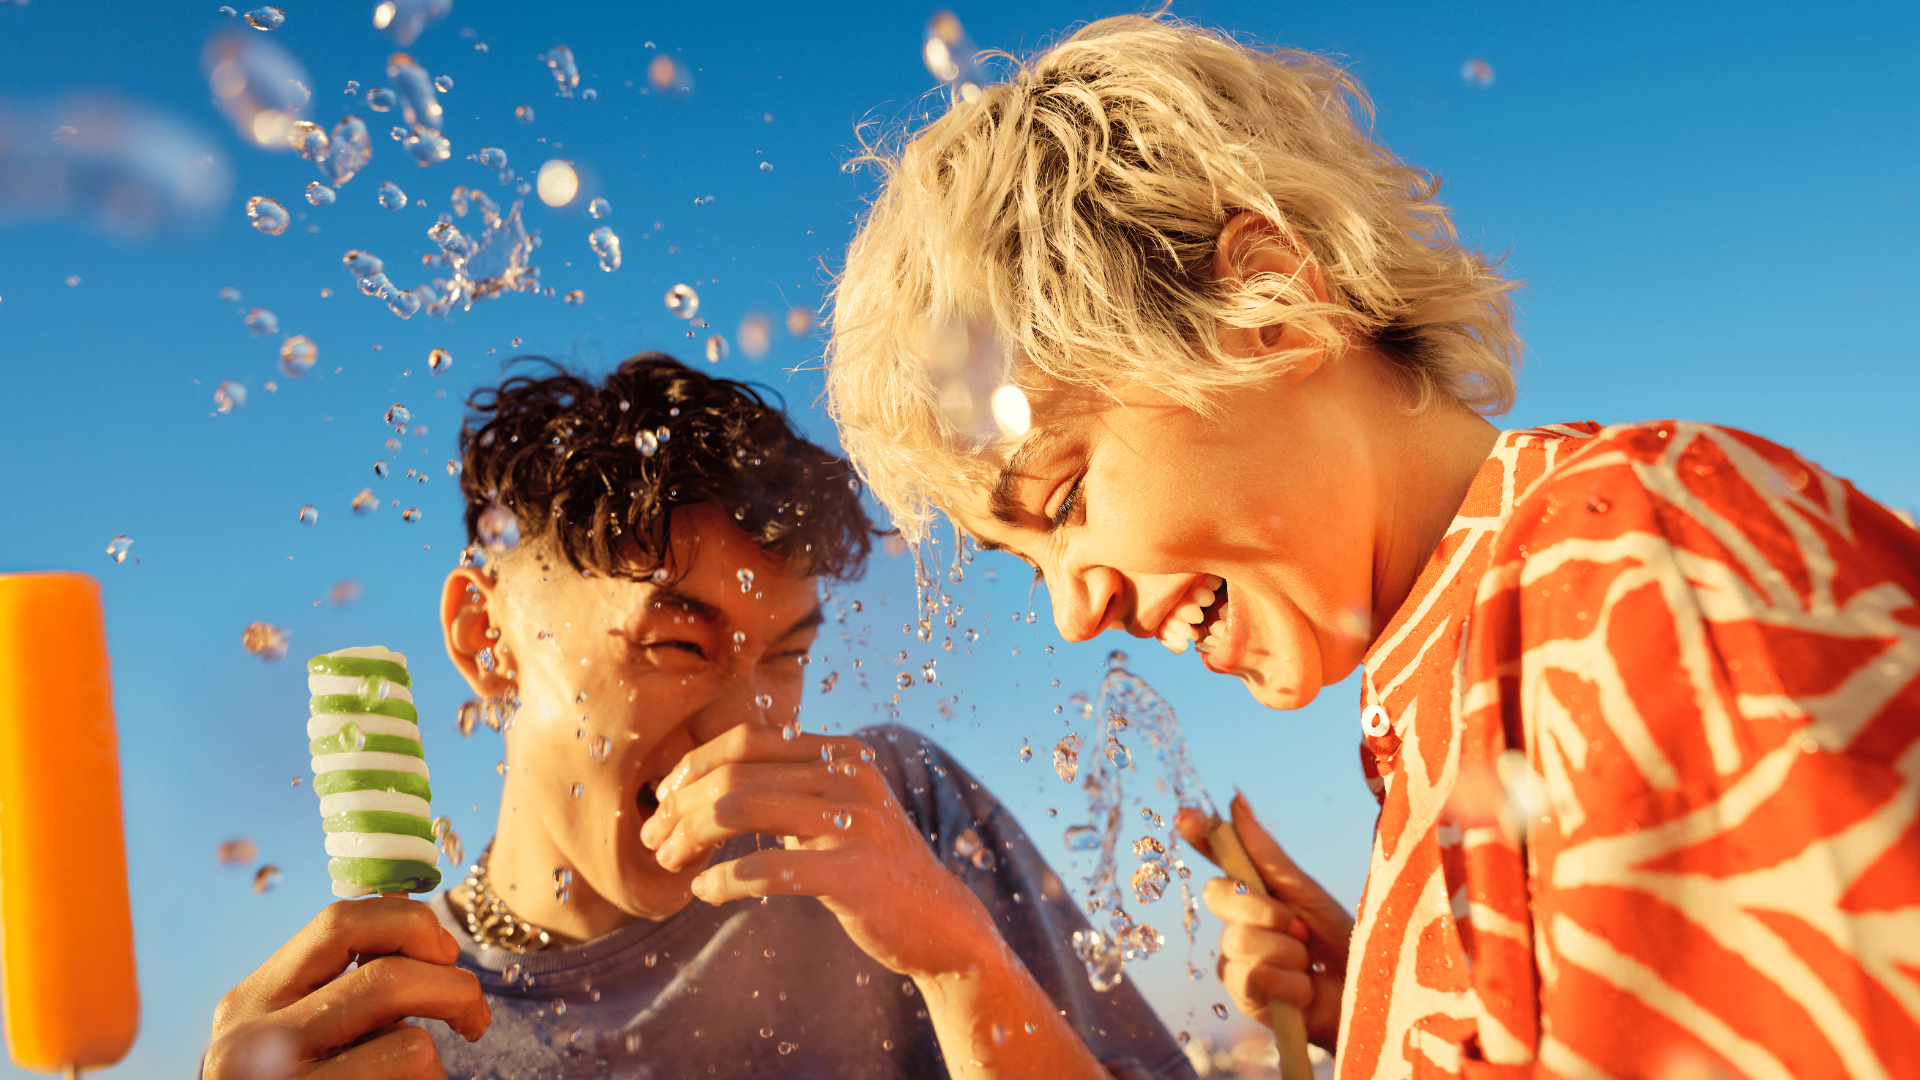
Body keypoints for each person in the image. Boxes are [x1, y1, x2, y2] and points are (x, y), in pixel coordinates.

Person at [824, 15, 1920, 1079]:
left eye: (1064, 499)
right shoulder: (1487, 648)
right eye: (1029, 566)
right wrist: (1397, 1010)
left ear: (1271, 307)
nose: (1073, 611)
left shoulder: (1622, 570)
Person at [203, 354, 1195, 1080]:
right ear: (485, 636)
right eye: (679, 646)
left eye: (787, 656)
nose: (747, 728)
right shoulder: (390, 1035)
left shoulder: (897, 819)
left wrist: (961, 958)